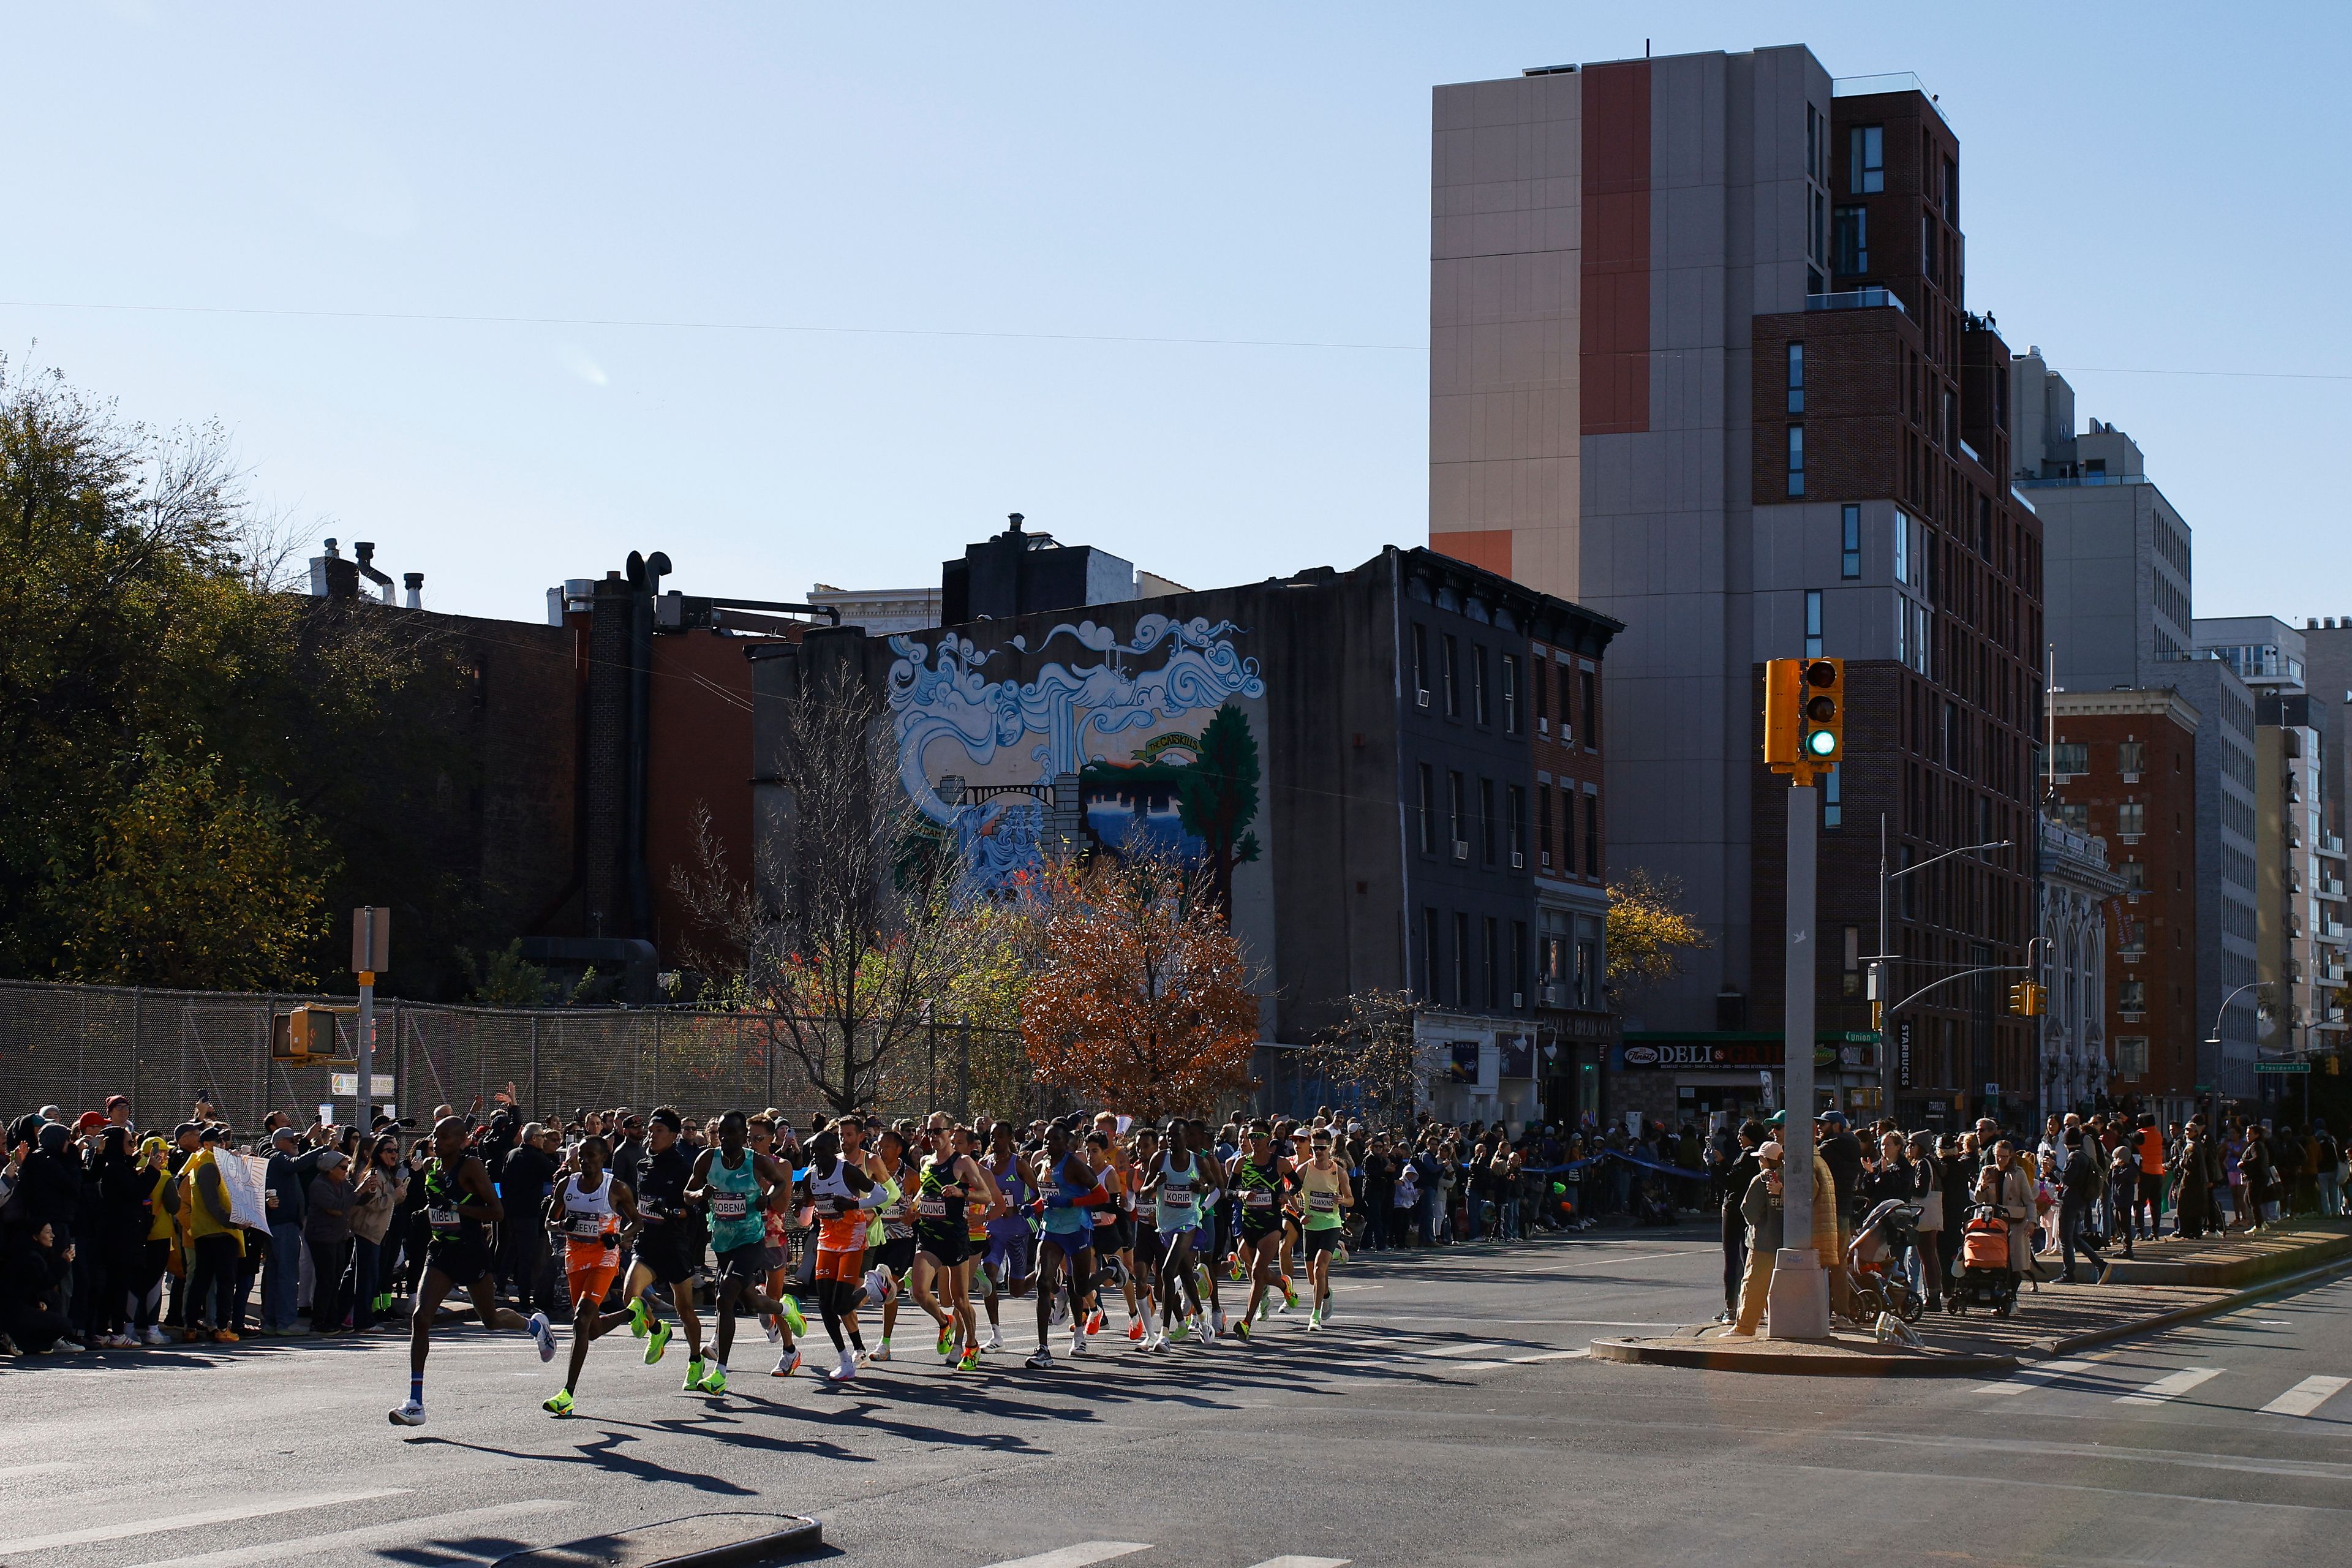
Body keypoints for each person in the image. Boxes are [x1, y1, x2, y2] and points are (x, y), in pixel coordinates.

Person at [389, 1116, 554, 1428]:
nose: (436, 1141)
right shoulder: (430, 1168)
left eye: (444, 1136)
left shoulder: (471, 1167)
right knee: (420, 1317)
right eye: (434, 1135)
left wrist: (456, 1208)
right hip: (441, 1251)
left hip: (471, 1251)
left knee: (490, 1320)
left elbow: (496, 1212)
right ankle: (415, 1402)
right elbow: (437, 1204)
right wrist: (427, 1214)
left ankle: (535, 1328)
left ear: (463, 1140)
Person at [683, 1110, 797, 1394]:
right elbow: (687, 1192)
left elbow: (781, 1183)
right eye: (721, 1132)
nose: (725, 1138)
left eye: (731, 1132)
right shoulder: (708, 1159)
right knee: (751, 1302)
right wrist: (700, 1195)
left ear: (742, 1135)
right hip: (722, 1242)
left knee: (725, 1297)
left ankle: (720, 1372)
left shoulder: (755, 1161)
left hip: (751, 1239)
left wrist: (766, 1199)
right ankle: (786, 1308)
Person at [540, 1134, 654, 1415]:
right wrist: (563, 1223)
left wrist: (619, 1237)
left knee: (580, 1320)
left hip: (604, 1259)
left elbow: (637, 1222)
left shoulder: (615, 1188)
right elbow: (549, 1222)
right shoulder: (567, 1185)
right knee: (590, 1330)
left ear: (604, 1159)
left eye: (592, 1156)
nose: (586, 1161)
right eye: (582, 1156)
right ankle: (632, 1313)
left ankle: (567, 1394)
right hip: (575, 1258)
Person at [1027, 1121, 1105, 1369]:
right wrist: (1035, 1207)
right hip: (1051, 1229)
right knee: (1042, 1282)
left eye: (1056, 1140)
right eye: (1047, 1140)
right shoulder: (1042, 1165)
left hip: (1076, 1229)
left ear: (1067, 1143)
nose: (1049, 1144)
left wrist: (1071, 1203)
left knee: (1079, 1288)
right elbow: (1047, 1196)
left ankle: (1112, 1273)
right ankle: (1043, 1349)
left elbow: (1101, 1196)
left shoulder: (1074, 1165)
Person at [1226, 1122, 1293, 1341]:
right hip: (1249, 1223)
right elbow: (1229, 1191)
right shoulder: (1240, 1164)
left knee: (1256, 1272)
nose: (1254, 1140)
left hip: (1272, 1224)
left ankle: (1246, 1323)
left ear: (1268, 1138)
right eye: (1251, 1136)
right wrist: (1241, 1194)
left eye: (1258, 1136)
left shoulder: (1280, 1162)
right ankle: (1284, 1285)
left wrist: (1286, 1195)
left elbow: (1298, 1184)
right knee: (1258, 1271)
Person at [1294, 1128, 1353, 1329]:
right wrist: (1300, 1214)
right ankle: (1337, 1254)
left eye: (1322, 1148)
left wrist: (1342, 1199)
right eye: (1315, 1148)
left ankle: (1315, 1316)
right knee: (1313, 1278)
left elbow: (1351, 1200)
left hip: (1331, 1223)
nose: (1318, 1152)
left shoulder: (1339, 1171)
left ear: (1329, 1149)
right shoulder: (1304, 1169)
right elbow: (1289, 1193)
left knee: (1321, 1269)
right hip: (1311, 1225)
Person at [1726, 1142, 1784, 1336]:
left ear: (1765, 1160)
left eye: (1760, 1158)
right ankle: (1779, 1325)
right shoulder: (1791, 1178)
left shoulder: (1761, 1179)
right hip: (1787, 1243)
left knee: (1753, 1284)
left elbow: (1749, 1211)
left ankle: (1744, 1327)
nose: (1759, 1162)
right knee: (1779, 1289)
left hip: (1763, 1241)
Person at [304, 1149, 357, 1335]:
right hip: (322, 1238)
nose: (346, 1170)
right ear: (330, 1169)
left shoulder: (343, 1184)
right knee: (326, 1280)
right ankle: (319, 1321)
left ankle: (333, 1318)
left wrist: (369, 1190)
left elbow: (357, 1199)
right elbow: (336, 1208)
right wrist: (360, 1192)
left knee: (336, 1279)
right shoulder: (320, 1185)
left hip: (339, 1237)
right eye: (343, 1167)